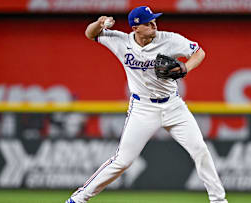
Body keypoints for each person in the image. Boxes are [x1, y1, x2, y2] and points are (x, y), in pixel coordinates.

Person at [65, 6, 228, 203]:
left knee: (200, 149)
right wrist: (98, 24)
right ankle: (79, 198)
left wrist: (186, 67)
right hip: (143, 109)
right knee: (122, 161)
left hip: (173, 106)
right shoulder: (121, 41)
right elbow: (90, 34)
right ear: (135, 28)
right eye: (148, 23)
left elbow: (199, 52)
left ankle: (218, 200)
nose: (154, 25)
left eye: (154, 20)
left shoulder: (169, 39)